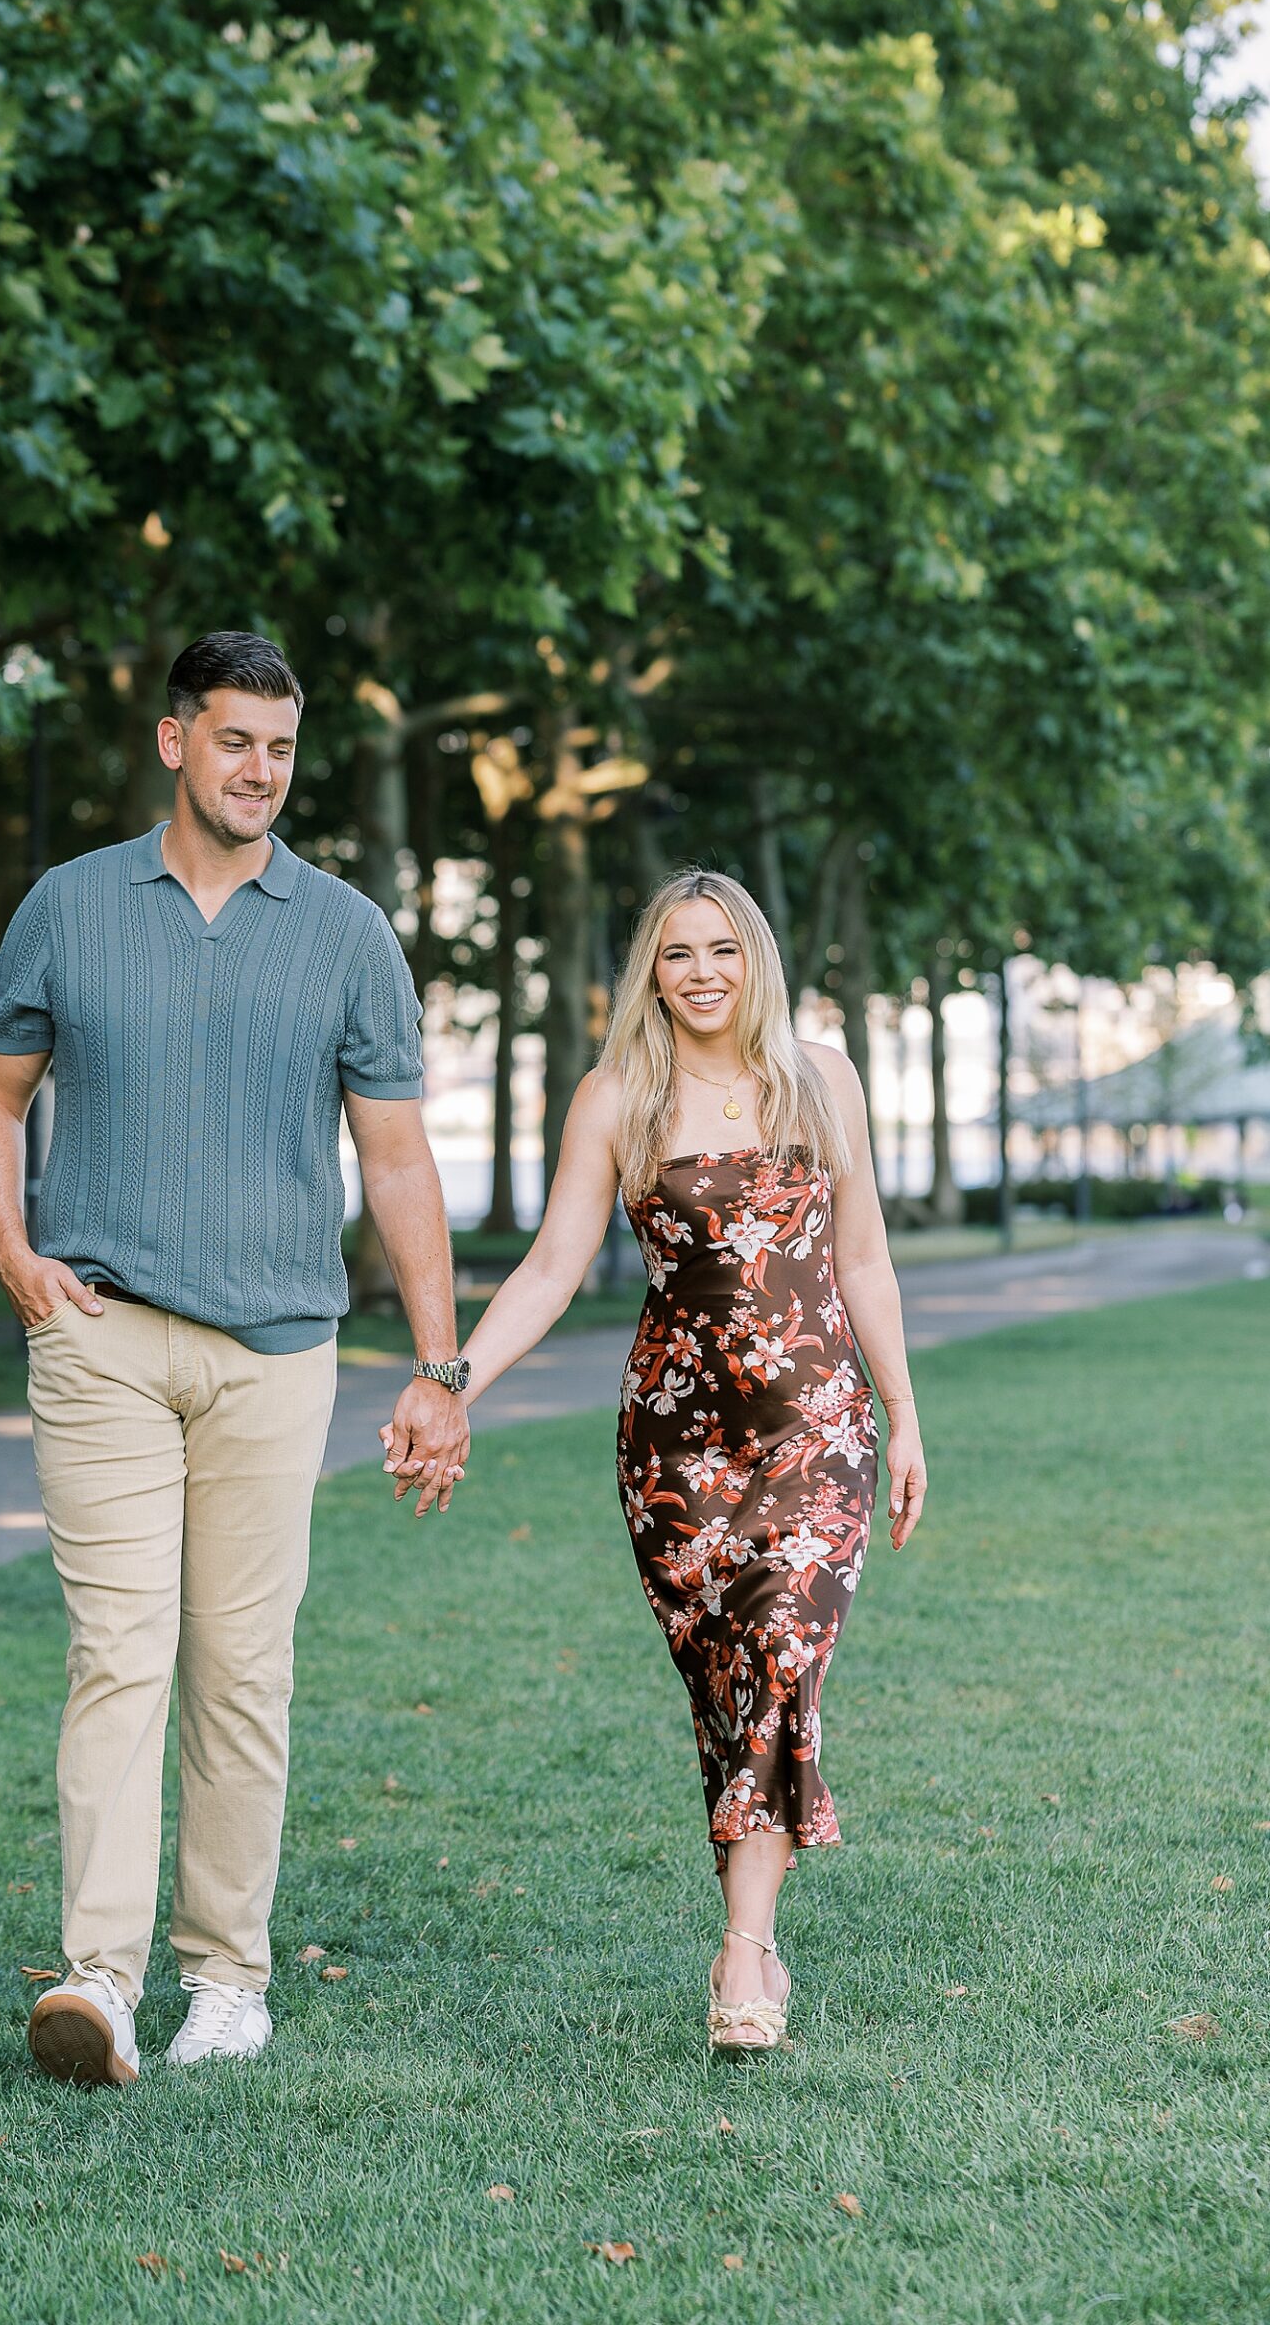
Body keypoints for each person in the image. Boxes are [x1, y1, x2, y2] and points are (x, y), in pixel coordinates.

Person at [0, 630, 472, 2087]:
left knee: (240, 1669)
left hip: (274, 1352)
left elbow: (395, 1163)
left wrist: (437, 1369)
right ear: (175, 741)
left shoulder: (345, 932)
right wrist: (13, 1251)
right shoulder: (65, 908)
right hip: (101, 1335)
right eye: (235, 741)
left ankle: (227, 1981)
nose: (260, 771)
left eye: (281, 749)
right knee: (117, 1652)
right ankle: (99, 1979)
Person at [397, 868, 927, 2053]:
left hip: (817, 1429)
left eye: (723, 950)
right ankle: (751, 1935)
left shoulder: (822, 1077)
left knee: (782, 1651)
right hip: (675, 1446)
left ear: (758, 962)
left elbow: (865, 1263)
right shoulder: (616, 1097)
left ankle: (746, 1953)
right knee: (724, 1683)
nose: (701, 973)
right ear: (650, 968)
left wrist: (901, 1414)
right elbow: (546, 1269)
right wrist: (447, 1382)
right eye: (678, 952)